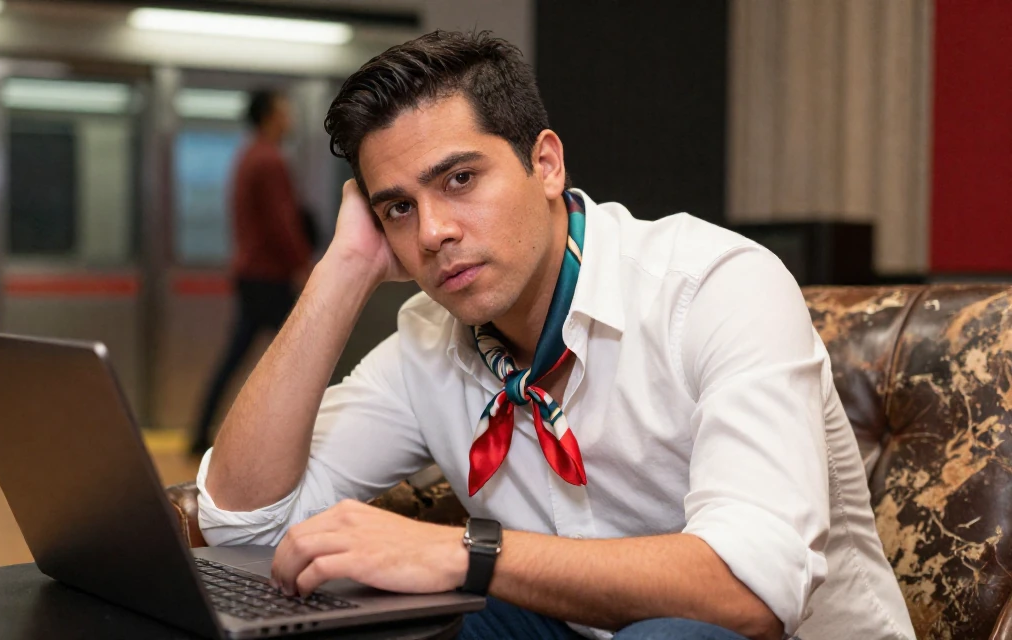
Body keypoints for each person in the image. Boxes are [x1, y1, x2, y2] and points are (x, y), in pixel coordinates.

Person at [193, 32, 915, 640]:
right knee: (403, 613)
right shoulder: (427, 344)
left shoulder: (715, 287)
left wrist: (466, 554)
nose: (434, 232)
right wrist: (342, 271)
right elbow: (241, 525)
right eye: (399, 209)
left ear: (545, 163)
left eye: (459, 179)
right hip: (581, 628)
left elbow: (750, 591)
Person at [189, 89, 313, 455]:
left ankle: (202, 431)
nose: (290, 119)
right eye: (284, 111)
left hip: (252, 273)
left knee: (239, 355)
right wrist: (302, 263)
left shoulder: (248, 156)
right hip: (269, 276)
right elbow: (281, 222)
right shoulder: (270, 160)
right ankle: (295, 438)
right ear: (269, 117)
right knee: (304, 355)